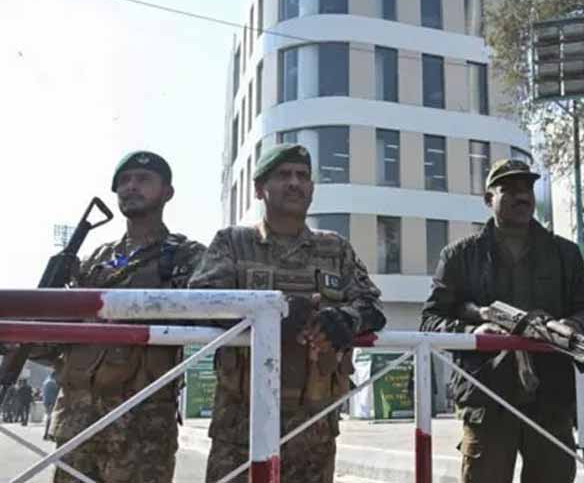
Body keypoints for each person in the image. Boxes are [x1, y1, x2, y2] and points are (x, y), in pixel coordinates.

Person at [188, 143, 387, 483]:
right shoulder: (233, 242)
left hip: (314, 431)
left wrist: (345, 320)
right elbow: (200, 300)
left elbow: (372, 305)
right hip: (241, 429)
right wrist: (269, 315)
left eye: (303, 176)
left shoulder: (335, 248)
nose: (295, 183)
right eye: (283, 175)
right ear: (259, 189)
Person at [421, 159, 584, 483]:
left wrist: (572, 326)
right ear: (488, 198)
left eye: (528, 188)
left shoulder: (564, 253)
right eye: (510, 189)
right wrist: (473, 332)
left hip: (551, 398)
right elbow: (431, 321)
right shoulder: (459, 256)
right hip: (486, 397)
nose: (522, 196)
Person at [50, 151, 205, 483]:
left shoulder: (186, 257)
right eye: (124, 181)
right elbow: (59, 339)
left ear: (167, 193)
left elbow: (211, 317)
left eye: (143, 179)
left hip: (141, 429)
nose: (131, 186)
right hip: (77, 424)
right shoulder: (95, 260)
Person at [42, 371, 59, 440]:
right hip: (51, 403)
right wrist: (53, 403)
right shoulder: (52, 383)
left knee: (49, 418)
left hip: (47, 403)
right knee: (51, 419)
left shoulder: (46, 381)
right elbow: (53, 395)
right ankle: (48, 434)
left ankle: (47, 434)